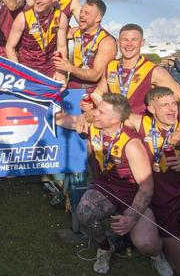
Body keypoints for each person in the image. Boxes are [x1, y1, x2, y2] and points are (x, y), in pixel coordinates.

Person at [54, 93, 167, 275]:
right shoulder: (93, 127)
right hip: (105, 188)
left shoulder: (132, 144)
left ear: (115, 119)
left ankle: (157, 255)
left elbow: (146, 188)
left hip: (132, 195)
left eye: (100, 111)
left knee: (147, 245)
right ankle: (106, 248)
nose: (94, 114)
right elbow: (63, 119)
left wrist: (131, 217)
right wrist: (48, 96)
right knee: (84, 212)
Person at [125, 87, 180, 276]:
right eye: (164, 105)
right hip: (160, 203)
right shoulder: (142, 124)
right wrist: (87, 117)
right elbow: (112, 114)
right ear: (151, 108)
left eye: (174, 103)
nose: (172, 109)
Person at [88, 24, 180, 146]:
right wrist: (103, 110)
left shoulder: (154, 71)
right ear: (118, 42)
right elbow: (98, 93)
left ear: (142, 42)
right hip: (114, 131)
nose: (129, 44)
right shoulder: (111, 66)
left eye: (134, 40)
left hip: (141, 135)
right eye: (125, 40)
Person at [5, 0, 68, 79]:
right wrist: (18, 72)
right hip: (26, 70)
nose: (37, 0)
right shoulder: (23, 17)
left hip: (50, 71)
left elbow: (61, 47)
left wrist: (61, 71)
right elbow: (9, 47)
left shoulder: (61, 17)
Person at [53, 0, 117, 93]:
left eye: (86, 13)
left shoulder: (107, 41)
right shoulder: (77, 31)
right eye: (81, 11)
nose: (81, 15)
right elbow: (56, 33)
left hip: (91, 94)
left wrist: (69, 68)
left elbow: (95, 75)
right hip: (71, 89)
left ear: (98, 18)